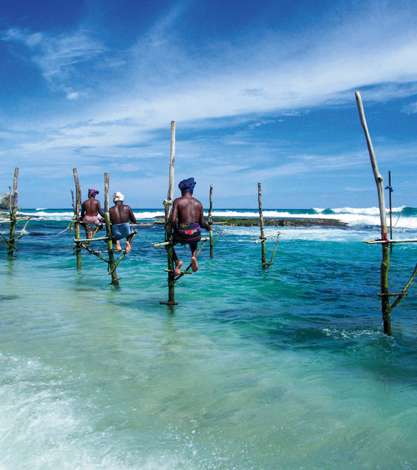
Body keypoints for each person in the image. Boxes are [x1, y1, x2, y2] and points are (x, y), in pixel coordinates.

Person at [171, 177, 211, 275]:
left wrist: (175, 230)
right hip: (195, 233)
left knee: (169, 244)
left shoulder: (178, 201)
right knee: (194, 237)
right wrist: (208, 227)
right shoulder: (198, 203)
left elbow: (173, 220)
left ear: (182, 190)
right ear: (192, 190)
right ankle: (193, 256)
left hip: (182, 232)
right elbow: (202, 222)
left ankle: (177, 261)